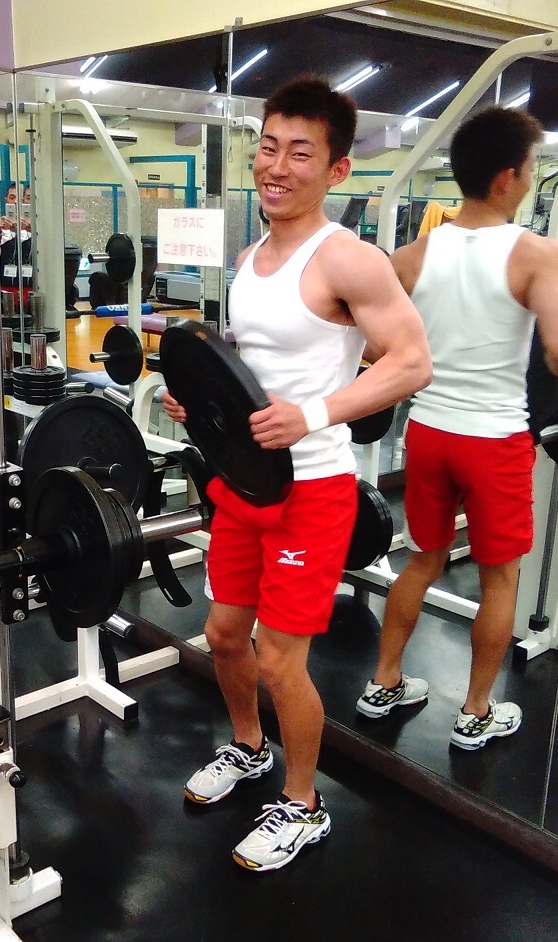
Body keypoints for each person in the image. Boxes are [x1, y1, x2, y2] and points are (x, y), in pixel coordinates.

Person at [163, 76, 432, 872]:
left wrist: (313, 414)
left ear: (338, 169)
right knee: (223, 635)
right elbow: (256, 376)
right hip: (244, 483)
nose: (277, 167)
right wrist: (204, 410)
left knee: (282, 659)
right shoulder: (251, 258)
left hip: (312, 492)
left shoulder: (349, 258)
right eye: (269, 148)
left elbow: (412, 362)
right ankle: (249, 748)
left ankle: (304, 803)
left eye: (300, 153)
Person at [357, 105, 558, 749]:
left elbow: (374, 348)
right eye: (531, 168)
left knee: (420, 561)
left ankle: (383, 681)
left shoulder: (411, 256)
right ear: (507, 177)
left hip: (428, 432)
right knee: (500, 579)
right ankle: (477, 712)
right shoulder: (538, 255)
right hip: (495, 441)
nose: (531, 178)